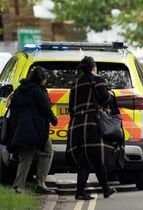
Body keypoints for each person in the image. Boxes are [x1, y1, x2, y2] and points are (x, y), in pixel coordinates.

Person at [66, 56, 116, 200]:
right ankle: (102, 190)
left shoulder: (75, 84)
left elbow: (71, 107)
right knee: (97, 157)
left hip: (77, 124)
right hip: (92, 123)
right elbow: (104, 99)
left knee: (84, 159)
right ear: (94, 67)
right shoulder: (97, 79)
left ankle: (91, 191)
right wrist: (110, 95)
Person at [7, 66, 58, 194]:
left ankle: (19, 186)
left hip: (20, 129)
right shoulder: (39, 91)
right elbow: (46, 108)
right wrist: (54, 120)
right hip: (37, 129)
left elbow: (12, 106)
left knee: (26, 156)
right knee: (48, 151)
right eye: (45, 79)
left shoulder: (20, 89)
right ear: (42, 79)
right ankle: (41, 183)